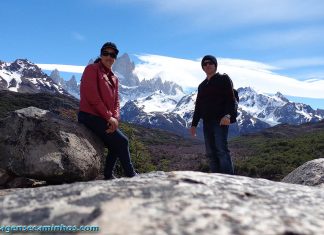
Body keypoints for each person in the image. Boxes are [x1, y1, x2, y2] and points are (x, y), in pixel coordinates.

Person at [78, 42, 136, 180]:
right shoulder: (91, 69)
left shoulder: (114, 78)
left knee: (115, 145)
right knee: (122, 142)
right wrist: (109, 117)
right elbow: (93, 97)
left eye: (113, 54)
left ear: (115, 57)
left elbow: (116, 102)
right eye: (106, 53)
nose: (109, 57)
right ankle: (131, 175)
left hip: (104, 118)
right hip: (89, 115)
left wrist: (115, 119)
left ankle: (108, 175)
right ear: (101, 55)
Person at [190, 55, 235, 174]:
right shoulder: (202, 86)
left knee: (221, 150)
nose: (207, 65)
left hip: (220, 121)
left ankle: (228, 180)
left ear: (215, 65)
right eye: (205, 64)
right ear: (202, 68)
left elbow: (231, 99)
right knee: (210, 153)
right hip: (207, 123)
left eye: (210, 63)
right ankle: (216, 178)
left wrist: (228, 115)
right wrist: (194, 124)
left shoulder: (223, 79)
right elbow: (198, 106)